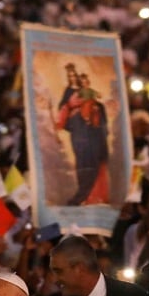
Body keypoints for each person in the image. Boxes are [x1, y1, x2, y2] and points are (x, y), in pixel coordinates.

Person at [56, 65, 110, 206]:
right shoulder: (69, 93)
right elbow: (63, 111)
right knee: (84, 163)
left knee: (95, 162)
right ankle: (82, 195)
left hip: (93, 134)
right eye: (70, 76)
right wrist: (72, 109)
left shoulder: (89, 95)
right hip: (79, 133)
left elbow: (99, 110)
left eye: (75, 75)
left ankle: (91, 196)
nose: (73, 78)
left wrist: (95, 110)